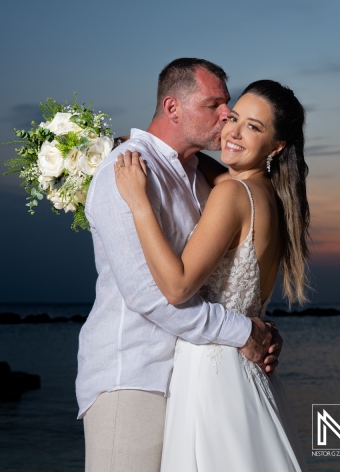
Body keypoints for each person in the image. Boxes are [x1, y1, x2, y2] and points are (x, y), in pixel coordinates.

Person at [76, 59, 282, 472]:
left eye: (230, 106)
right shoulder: (127, 172)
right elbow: (152, 297)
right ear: (173, 109)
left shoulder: (201, 176)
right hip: (133, 379)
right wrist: (245, 331)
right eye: (215, 105)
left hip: (191, 381)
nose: (226, 115)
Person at [115, 79, 309, 471]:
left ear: (277, 146)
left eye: (253, 127)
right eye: (234, 117)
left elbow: (178, 286)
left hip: (211, 371)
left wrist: (139, 204)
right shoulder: (267, 196)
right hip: (247, 373)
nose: (233, 131)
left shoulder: (233, 195)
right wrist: (165, 149)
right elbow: (222, 172)